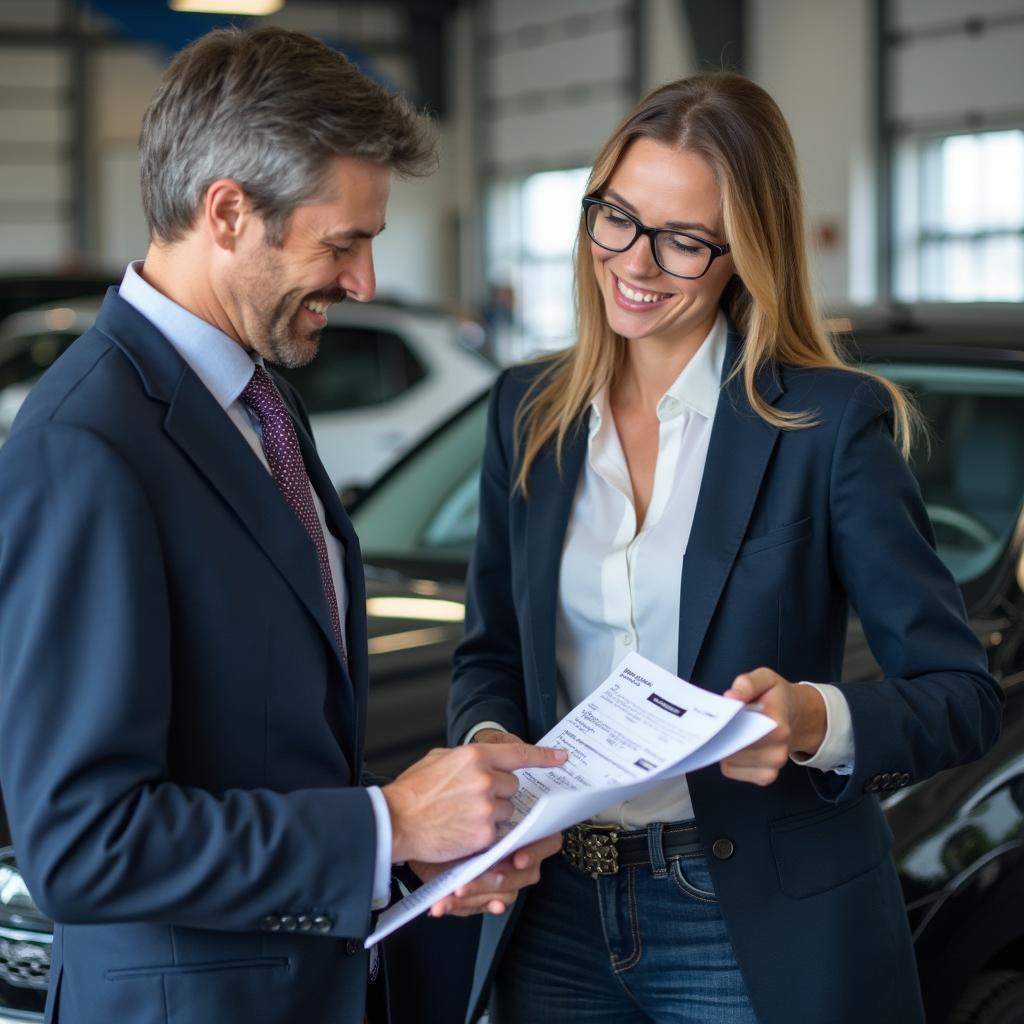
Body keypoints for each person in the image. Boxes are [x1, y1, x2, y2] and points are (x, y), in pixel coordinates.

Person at [0, 26, 566, 1024]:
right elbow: (83, 845)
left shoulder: (255, 399)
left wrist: (408, 858)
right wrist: (383, 825)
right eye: (341, 242)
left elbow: (272, 750)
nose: (363, 284)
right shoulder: (85, 444)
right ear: (227, 212)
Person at [447, 71, 1004, 1024]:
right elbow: (490, 650)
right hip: (556, 913)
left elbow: (961, 697)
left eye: (685, 240)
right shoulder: (527, 412)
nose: (636, 260)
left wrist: (809, 722)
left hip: (742, 914)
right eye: (616, 217)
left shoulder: (824, 426)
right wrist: (493, 752)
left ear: (745, 253)